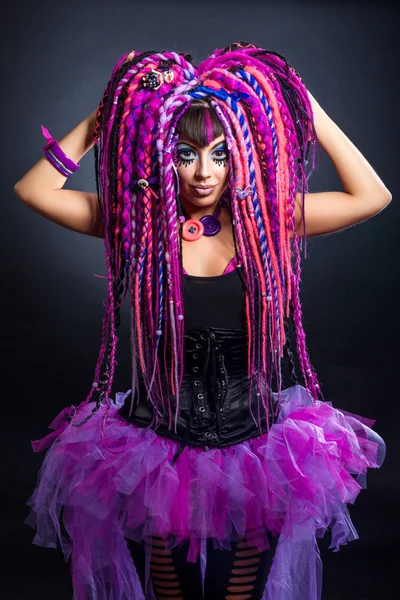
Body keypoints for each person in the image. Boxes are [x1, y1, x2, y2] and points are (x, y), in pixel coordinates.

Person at [15, 42, 390, 600]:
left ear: (240, 153)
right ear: (164, 154)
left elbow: (373, 195)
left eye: (219, 153)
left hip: (258, 446)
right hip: (154, 450)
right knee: (171, 589)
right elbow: (32, 189)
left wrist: (307, 109)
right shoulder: (138, 227)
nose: (203, 172)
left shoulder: (269, 220)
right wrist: (106, 119)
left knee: (243, 589)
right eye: (186, 153)